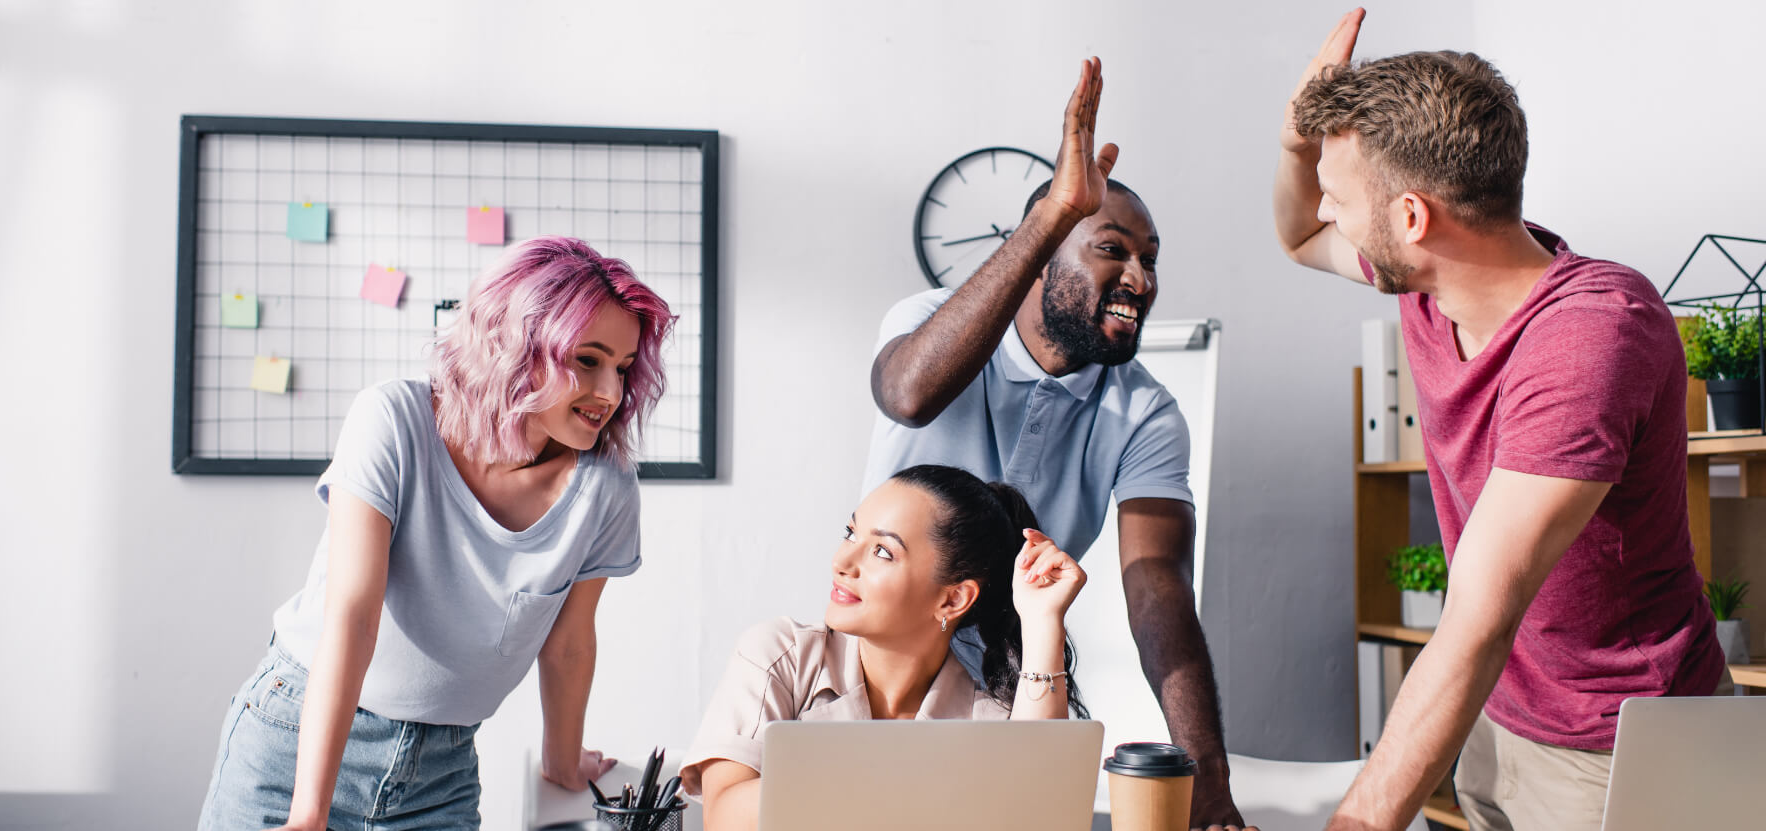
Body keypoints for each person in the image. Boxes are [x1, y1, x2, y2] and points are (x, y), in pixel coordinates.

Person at [1271, 11, 1726, 831]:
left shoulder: (1592, 337)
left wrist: (1355, 824)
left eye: (1340, 195)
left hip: (1617, 744)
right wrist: (1298, 147)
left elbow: (1481, 612)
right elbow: (1299, 233)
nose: (1327, 212)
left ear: (1413, 218)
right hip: (1498, 712)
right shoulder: (1426, 283)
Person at [866, 59, 1248, 830]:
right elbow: (908, 394)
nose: (1140, 277)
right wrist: (1050, 214)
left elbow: (1158, 588)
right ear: (1040, 253)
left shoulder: (1147, 411)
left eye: (1151, 258)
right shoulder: (933, 315)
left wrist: (1206, 779)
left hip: (1018, 686)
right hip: (879, 672)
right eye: (1112, 249)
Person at [197, 236, 677, 831]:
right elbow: (353, 616)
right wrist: (308, 813)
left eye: (624, 369)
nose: (609, 392)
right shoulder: (393, 422)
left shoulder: (606, 489)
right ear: (517, 345)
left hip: (441, 776)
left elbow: (570, 642)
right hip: (296, 745)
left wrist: (560, 761)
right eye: (587, 360)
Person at [680, 464, 1089, 831]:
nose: (842, 561)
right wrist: (896, 773)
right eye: (850, 533)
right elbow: (725, 818)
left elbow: (1037, 815)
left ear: (952, 600)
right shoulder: (781, 656)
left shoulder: (986, 722)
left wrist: (1042, 620)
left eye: (882, 551)